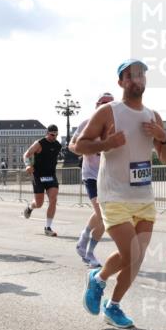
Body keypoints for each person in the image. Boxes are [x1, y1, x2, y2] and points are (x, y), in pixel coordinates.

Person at [72, 59, 166, 329]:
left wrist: (163, 138)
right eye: (130, 76)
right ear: (121, 82)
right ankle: (98, 278)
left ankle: (113, 304)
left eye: (140, 75)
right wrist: (107, 143)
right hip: (114, 195)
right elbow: (78, 145)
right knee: (131, 253)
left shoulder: (153, 116)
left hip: (144, 197)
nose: (136, 80)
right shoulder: (109, 112)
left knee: (137, 257)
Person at [70, 92, 115, 267]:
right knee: (102, 214)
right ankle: (89, 253)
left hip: (109, 176)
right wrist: (84, 149)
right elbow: (71, 146)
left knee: (103, 214)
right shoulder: (86, 124)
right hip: (91, 175)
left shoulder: (118, 126)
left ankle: (83, 242)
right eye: (103, 103)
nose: (107, 106)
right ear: (97, 105)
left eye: (111, 103)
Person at [22, 125, 63, 236]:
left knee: (53, 199)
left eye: (56, 134)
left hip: (51, 176)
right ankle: (30, 207)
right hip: (38, 176)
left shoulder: (58, 145)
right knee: (39, 203)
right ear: (47, 133)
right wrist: (27, 165)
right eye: (52, 134)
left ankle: (48, 227)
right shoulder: (39, 143)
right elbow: (26, 155)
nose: (54, 137)